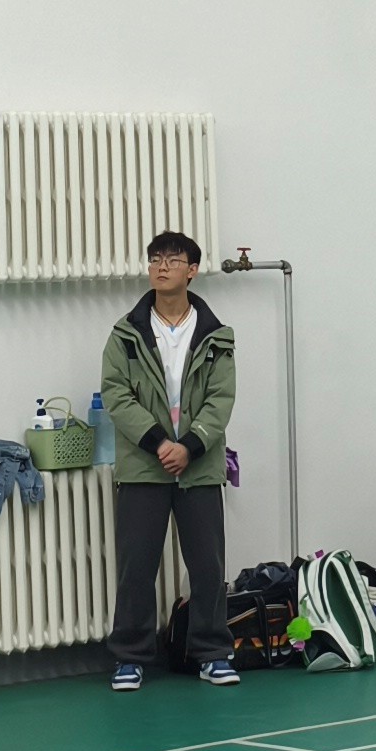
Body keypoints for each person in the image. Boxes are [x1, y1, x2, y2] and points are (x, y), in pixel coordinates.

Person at [101, 232, 239, 694]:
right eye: (155, 259)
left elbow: (221, 400)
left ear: (192, 271)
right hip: (144, 465)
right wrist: (160, 442)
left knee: (208, 567)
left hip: (200, 467)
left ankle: (213, 654)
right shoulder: (126, 334)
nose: (162, 267)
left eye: (173, 260)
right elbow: (116, 395)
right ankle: (130, 658)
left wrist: (190, 447)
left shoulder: (216, 335)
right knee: (136, 567)